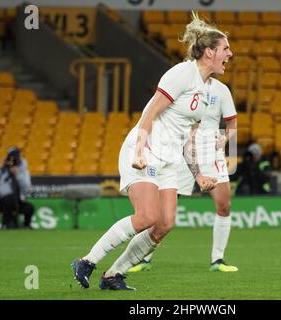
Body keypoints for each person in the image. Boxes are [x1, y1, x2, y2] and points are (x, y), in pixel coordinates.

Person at [71, 11, 233, 291]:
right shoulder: (182, 73)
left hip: (170, 159)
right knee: (146, 216)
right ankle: (87, 261)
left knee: (164, 223)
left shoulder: (208, 91)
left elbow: (189, 139)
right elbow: (150, 113)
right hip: (147, 149)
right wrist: (139, 151)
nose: (230, 54)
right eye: (225, 49)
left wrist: (198, 175)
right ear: (209, 53)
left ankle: (113, 276)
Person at [127, 75, 239, 273]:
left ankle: (217, 260)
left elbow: (232, 124)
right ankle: (143, 258)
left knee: (224, 205)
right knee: (162, 211)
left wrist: (224, 139)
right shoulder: (183, 83)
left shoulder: (222, 90)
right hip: (183, 148)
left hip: (211, 152)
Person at [0, 147, 34, 229]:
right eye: (11, 157)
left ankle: (26, 225)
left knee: (29, 208)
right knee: (9, 199)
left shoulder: (23, 171)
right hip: (1, 202)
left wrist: (17, 175)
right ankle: (6, 223)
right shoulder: (2, 170)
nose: (13, 160)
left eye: (15, 157)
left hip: (18, 201)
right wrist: (0, 168)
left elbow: (27, 187)